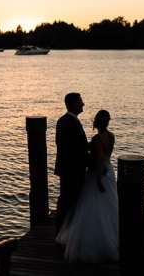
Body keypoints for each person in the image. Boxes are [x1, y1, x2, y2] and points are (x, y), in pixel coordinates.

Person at [56, 109, 119, 263]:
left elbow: (97, 161)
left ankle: (90, 241)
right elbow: (105, 156)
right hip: (109, 172)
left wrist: (97, 181)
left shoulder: (96, 139)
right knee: (108, 207)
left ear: (96, 122)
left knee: (91, 208)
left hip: (97, 175)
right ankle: (109, 236)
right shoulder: (111, 136)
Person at [54, 92, 89, 233]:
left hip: (67, 168)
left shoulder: (64, 120)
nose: (83, 104)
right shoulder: (70, 123)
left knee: (66, 199)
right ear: (73, 104)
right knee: (69, 200)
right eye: (80, 101)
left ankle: (63, 229)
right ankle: (64, 230)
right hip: (72, 170)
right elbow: (74, 150)